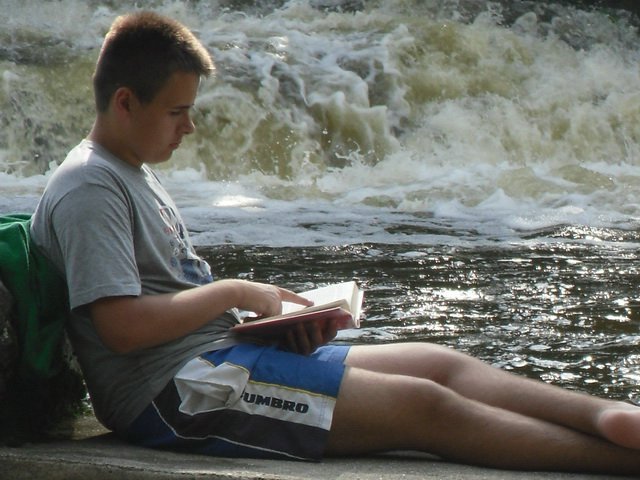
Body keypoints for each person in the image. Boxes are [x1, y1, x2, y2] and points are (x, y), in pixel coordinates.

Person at [29, 11, 640, 475]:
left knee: (440, 363)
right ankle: (618, 460)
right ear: (125, 102)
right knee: (423, 405)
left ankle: (604, 416)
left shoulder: (128, 170)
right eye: (176, 111)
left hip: (216, 358)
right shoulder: (90, 187)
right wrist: (233, 292)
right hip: (177, 394)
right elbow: (121, 328)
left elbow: (163, 298)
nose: (189, 126)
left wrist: (265, 326)